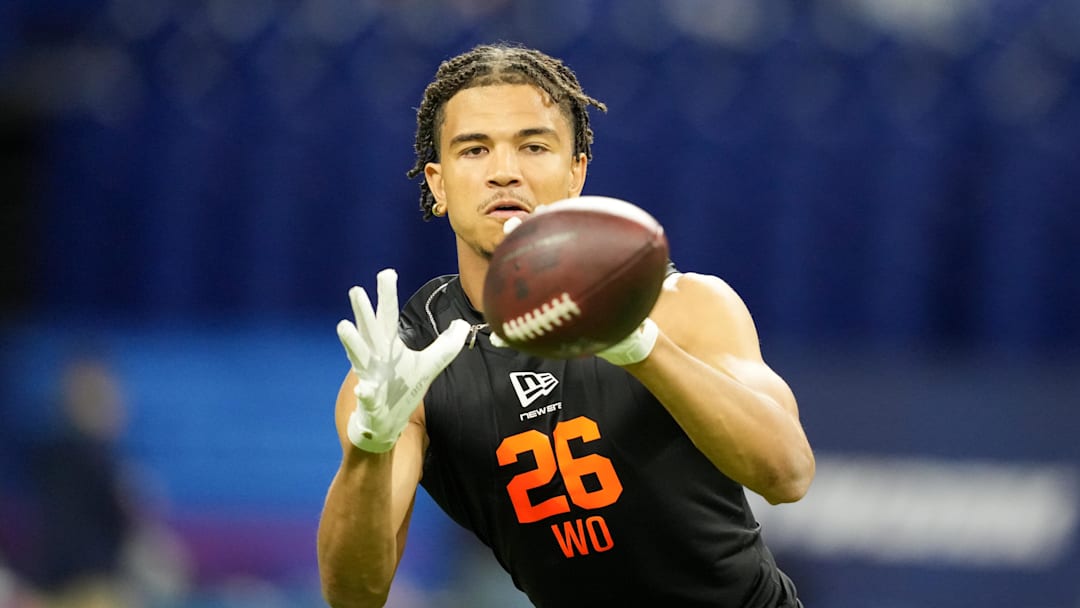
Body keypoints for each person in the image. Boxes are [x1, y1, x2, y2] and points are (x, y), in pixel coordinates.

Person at [317, 43, 815, 608]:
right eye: (474, 150)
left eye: (533, 146)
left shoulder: (676, 302)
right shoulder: (408, 364)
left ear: (576, 171)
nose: (504, 172)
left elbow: (788, 475)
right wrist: (370, 445)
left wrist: (641, 346)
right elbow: (354, 595)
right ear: (437, 183)